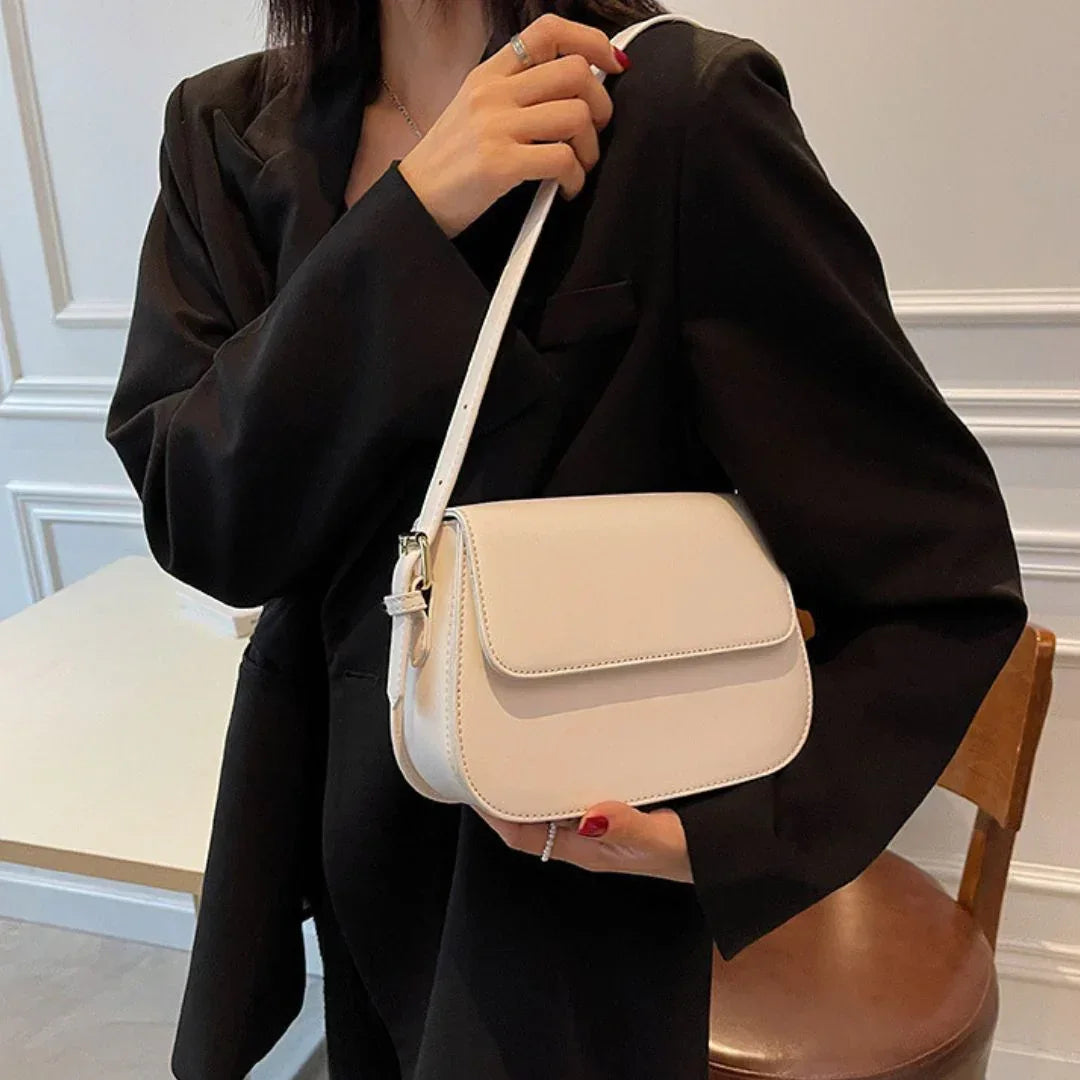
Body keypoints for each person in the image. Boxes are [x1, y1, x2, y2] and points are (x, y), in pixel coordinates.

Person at [104, 1, 1029, 1078]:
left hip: (546, 903)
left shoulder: (679, 116)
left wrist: (736, 835)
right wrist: (413, 218)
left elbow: (939, 571)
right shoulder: (225, 131)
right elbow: (200, 515)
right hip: (320, 832)